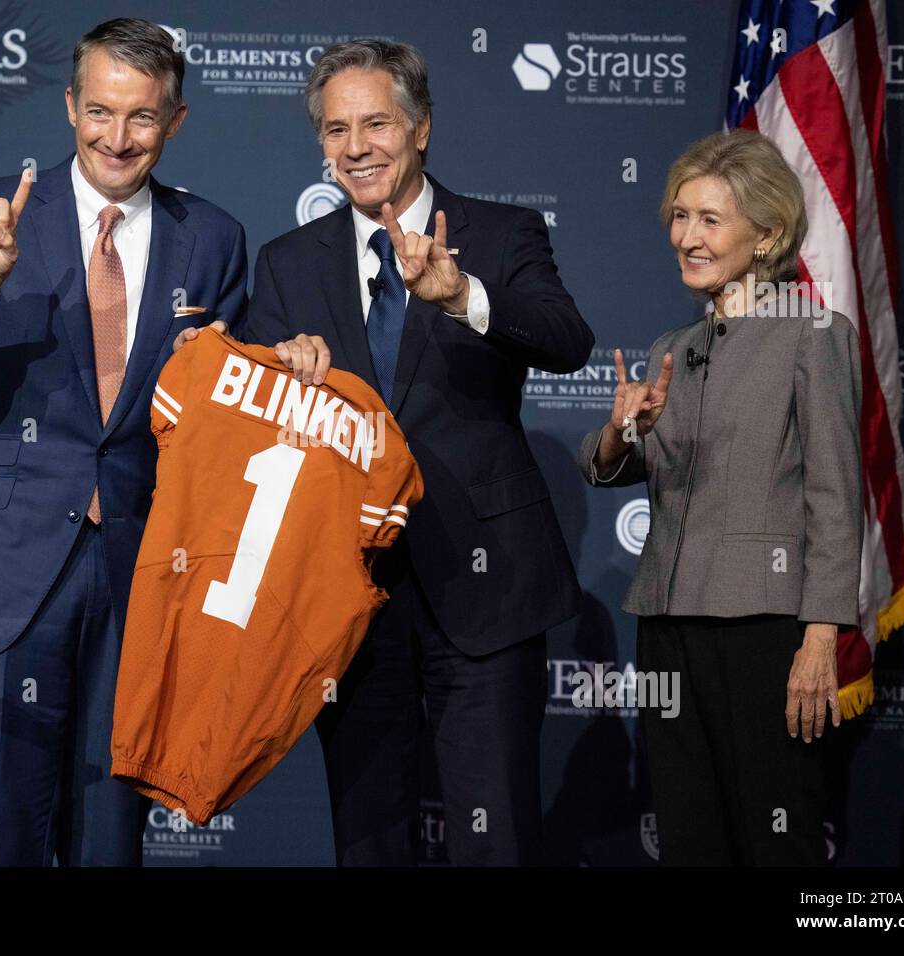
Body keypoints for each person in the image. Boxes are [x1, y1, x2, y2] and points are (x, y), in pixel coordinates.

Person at [0, 18, 247, 866]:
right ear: (69, 105)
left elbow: (229, 415)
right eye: (100, 111)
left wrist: (268, 366)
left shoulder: (215, 236)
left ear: (177, 120)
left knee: (110, 841)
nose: (117, 138)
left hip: (143, 571)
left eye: (143, 118)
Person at [241, 39, 594, 866]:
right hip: (350, 594)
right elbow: (260, 432)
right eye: (335, 130)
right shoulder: (287, 263)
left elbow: (567, 340)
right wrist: (277, 380)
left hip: (489, 585)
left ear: (421, 127)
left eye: (375, 123)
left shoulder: (503, 232)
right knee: (369, 837)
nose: (355, 147)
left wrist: (463, 295)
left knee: (496, 834)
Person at [577, 129, 862, 865]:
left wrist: (822, 635)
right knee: (688, 832)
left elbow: (836, 492)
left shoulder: (813, 334)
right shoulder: (672, 345)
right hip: (668, 622)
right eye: (681, 216)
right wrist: (621, 432)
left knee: (775, 834)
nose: (687, 237)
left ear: (767, 234)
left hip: (766, 628)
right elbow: (620, 466)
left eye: (710, 219)